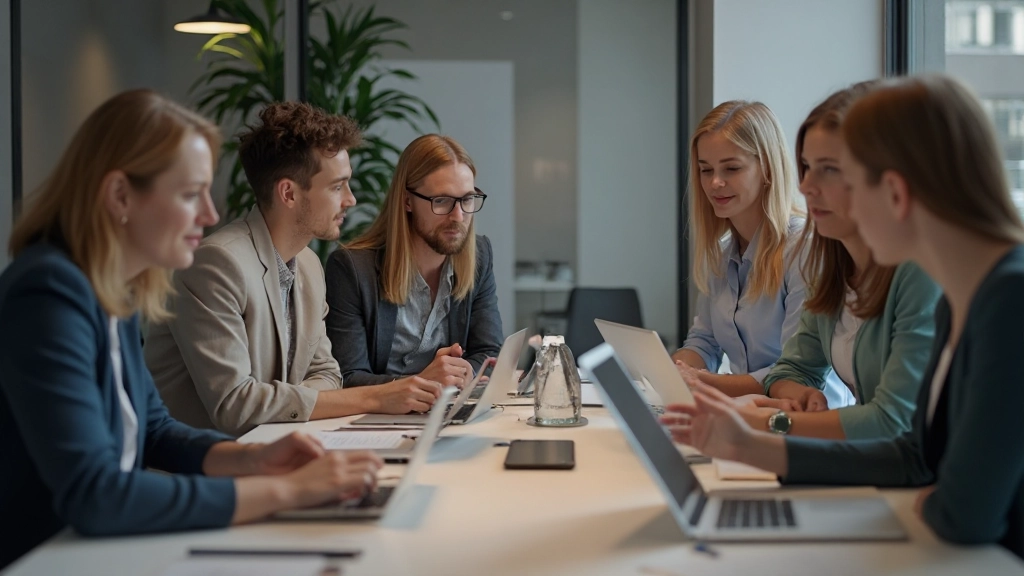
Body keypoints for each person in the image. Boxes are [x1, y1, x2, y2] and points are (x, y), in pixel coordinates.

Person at [0, 90, 382, 569]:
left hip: (106, 544)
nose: (209, 213)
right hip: (50, 557)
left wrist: (254, 460)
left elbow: (156, 431)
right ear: (120, 196)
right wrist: (284, 490)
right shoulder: (49, 292)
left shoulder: (107, 289)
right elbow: (95, 493)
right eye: (189, 193)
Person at [663, 75, 1024, 558]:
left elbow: (964, 512)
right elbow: (914, 457)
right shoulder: (966, 292)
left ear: (894, 190)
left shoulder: (1007, 297)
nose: (810, 193)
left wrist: (763, 429)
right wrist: (746, 440)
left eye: (838, 175)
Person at [144, 102, 441, 436]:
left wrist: (284, 400)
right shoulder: (216, 264)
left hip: (277, 449)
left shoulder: (310, 265)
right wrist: (374, 397)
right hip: (205, 471)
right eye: (337, 186)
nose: (350, 199)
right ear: (289, 193)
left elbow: (329, 371)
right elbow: (236, 405)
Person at [710, 84, 941, 440]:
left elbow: (893, 423)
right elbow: (791, 369)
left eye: (829, 169)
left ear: (886, 177)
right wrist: (795, 394)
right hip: (876, 464)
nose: (806, 185)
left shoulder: (919, 272)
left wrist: (767, 425)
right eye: (806, 166)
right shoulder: (833, 263)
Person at [671, 101, 851, 407]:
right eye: (706, 170)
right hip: (747, 417)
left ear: (767, 167)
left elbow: (797, 370)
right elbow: (704, 343)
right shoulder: (721, 255)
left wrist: (703, 382)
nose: (715, 182)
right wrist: (674, 371)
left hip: (809, 422)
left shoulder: (804, 248)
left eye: (732, 168)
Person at [325, 134, 503, 388]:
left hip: (448, 413)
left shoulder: (479, 255)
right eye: (441, 201)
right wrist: (422, 382)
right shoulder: (352, 269)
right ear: (407, 201)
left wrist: (461, 376)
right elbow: (348, 376)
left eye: (466, 199)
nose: (458, 215)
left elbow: (489, 353)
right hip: (377, 420)